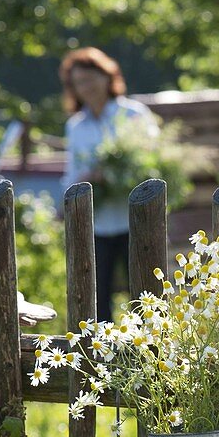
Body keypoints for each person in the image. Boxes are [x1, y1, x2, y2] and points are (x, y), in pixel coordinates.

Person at [59, 47, 155, 322]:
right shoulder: (76, 126)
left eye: (90, 79)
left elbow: (150, 158)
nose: (86, 87)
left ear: (107, 76)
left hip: (134, 219)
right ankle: (105, 360)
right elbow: (72, 173)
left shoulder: (133, 114)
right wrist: (83, 182)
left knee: (144, 294)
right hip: (98, 223)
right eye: (79, 82)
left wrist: (112, 173)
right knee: (98, 297)